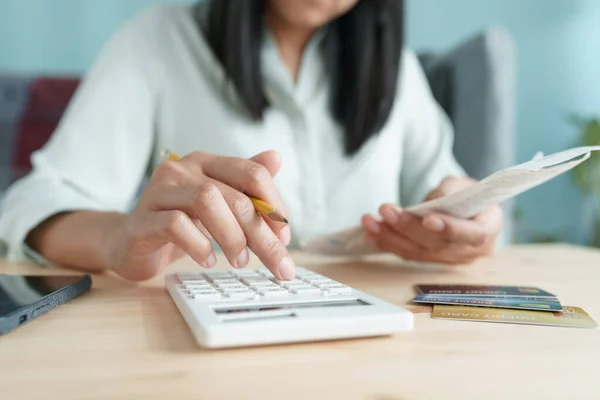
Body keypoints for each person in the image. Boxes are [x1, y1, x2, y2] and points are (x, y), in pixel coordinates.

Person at [0, 0, 503, 282]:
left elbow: (445, 186)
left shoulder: (399, 68)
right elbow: (35, 203)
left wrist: (470, 215)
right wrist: (118, 239)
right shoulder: (156, 40)